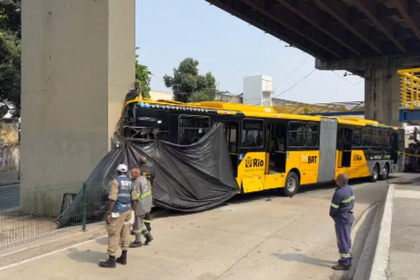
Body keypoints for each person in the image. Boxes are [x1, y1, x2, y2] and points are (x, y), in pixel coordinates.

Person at [99, 164, 137, 268]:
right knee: (125, 233)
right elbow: (134, 199)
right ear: (126, 172)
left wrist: (109, 213)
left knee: (113, 233)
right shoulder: (131, 183)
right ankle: (123, 257)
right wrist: (133, 211)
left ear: (117, 172)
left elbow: (112, 198)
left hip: (118, 211)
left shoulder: (115, 182)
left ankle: (111, 260)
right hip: (128, 210)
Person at [330, 173, 355, 270]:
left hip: (342, 219)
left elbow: (333, 209)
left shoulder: (338, 193)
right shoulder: (350, 189)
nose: (336, 180)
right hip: (349, 217)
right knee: (347, 238)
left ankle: (345, 263)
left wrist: (334, 217)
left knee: (342, 240)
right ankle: (348, 257)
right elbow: (352, 203)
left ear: (340, 181)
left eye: (337, 179)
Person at [130, 167, 153, 247]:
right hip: (148, 202)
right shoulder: (145, 179)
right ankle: (147, 235)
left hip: (141, 204)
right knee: (140, 221)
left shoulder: (137, 182)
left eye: (132, 173)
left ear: (136, 173)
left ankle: (138, 241)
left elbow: (136, 195)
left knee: (137, 222)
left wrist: (133, 203)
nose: (131, 175)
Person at [139, 156, 155, 237]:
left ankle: (140, 228)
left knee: (139, 211)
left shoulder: (138, 170)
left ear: (139, 161)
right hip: (148, 193)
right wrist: (151, 190)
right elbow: (153, 181)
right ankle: (148, 226)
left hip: (140, 194)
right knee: (147, 210)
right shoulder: (151, 170)